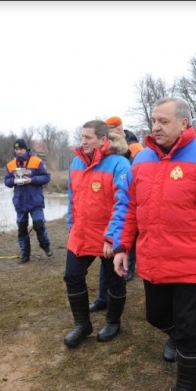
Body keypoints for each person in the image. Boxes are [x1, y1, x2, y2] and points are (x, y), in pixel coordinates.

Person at [110, 97, 196, 391]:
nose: (156, 127)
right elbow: (128, 205)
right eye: (154, 121)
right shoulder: (142, 159)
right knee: (156, 317)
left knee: (186, 328)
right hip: (154, 259)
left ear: (184, 123)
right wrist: (121, 246)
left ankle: (187, 388)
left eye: (163, 121)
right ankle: (182, 334)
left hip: (193, 261)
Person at [63, 120, 131, 347]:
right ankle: (82, 324)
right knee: (72, 276)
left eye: (88, 137)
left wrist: (113, 237)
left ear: (103, 140)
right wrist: (71, 223)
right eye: (81, 137)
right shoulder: (75, 162)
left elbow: (124, 203)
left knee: (114, 280)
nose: (83, 142)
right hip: (81, 233)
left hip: (108, 235)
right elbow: (71, 196)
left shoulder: (119, 164)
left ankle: (113, 322)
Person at [89, 117, 141, 313]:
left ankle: (124, 280)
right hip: (109, 212)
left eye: (114, 127)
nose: (113, 130)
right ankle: (104, 297)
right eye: (109, 128)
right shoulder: (102, 149)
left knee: (124, 251)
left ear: (121, 127)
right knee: (107, 260)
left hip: (128, 205)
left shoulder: (135, 148)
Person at [4, 138, 53, 264]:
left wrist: (32, 180)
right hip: (20, 201)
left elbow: (46, 177)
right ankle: (25, 254)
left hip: (35, 200)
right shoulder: (11, 165)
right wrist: (13, 181)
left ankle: (45, 245)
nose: (19, 151)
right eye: (16, 149)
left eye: (21, 149)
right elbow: (7, 181)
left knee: (39, 225)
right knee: (22, 229)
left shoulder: (37, 162)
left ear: (26, 149)